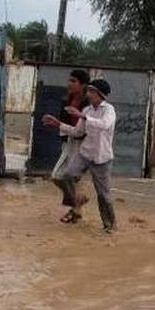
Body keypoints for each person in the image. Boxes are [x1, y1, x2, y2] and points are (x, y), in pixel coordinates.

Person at [42, 79, 117, 233]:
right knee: (64, 176)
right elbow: (78, 132)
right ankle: (77, 202)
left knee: (103, 195)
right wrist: (58, 124)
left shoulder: (109, 110)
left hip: (102, 158)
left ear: (100, 95)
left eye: (91, 92)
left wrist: (82, 117)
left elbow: (104, 124)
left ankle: (110, 226)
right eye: (88, 91)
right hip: (85, 154)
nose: (88, 94)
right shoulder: (87, 110)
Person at [47, 69, 90, 222]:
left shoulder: (88, 105)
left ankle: (76, 209)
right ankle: (78, 200)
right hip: (69, 141)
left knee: (71, 177)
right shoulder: (67, 100)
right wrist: (55, 124)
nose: (69, 84)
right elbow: (64, 123)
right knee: (56, 176)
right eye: (69, 80)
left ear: (83, 85)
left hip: (83, 144)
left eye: (74, 81)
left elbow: (85, 129)